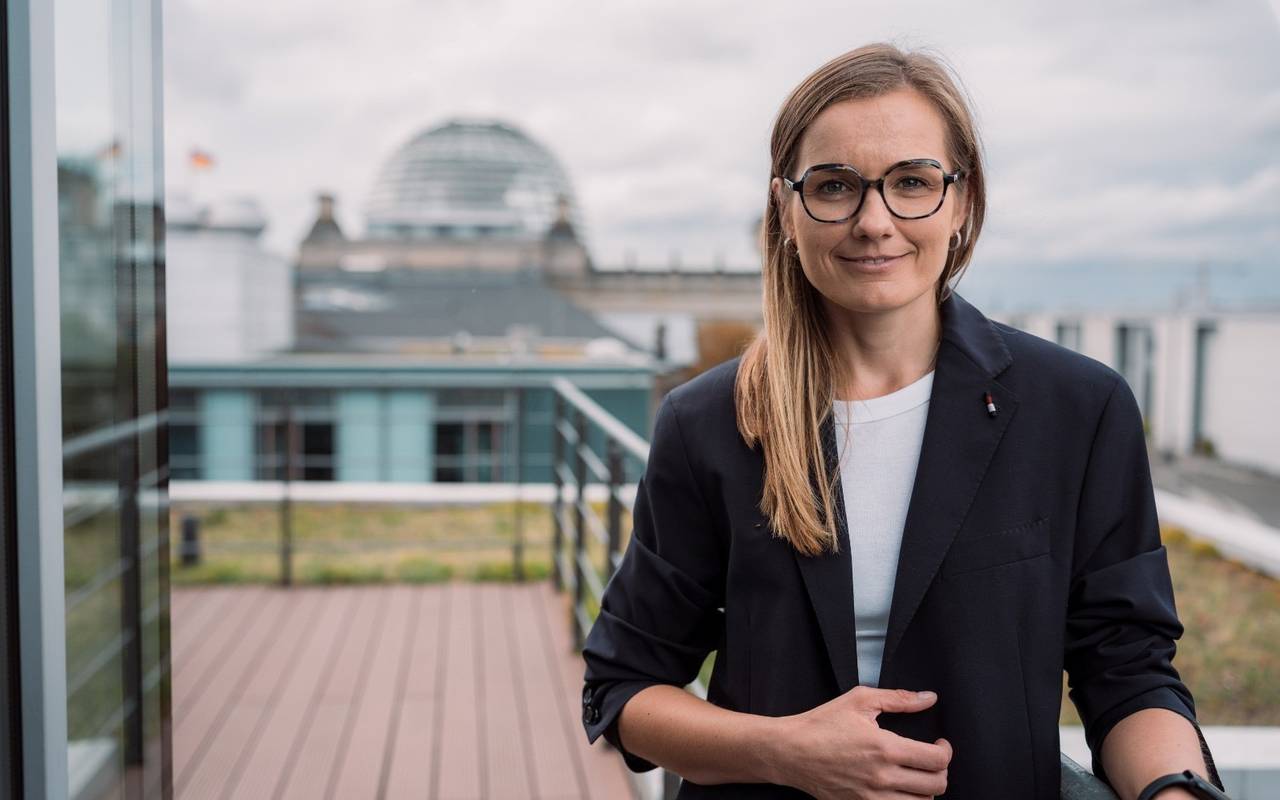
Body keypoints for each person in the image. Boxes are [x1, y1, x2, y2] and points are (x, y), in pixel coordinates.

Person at [580, 43, 1224, 799]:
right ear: (786, 209)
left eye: (911, 182)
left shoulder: (1078, 409)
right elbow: (624, 690)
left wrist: (1176, 793)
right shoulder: (708, 423)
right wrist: (782, 751)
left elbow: (1127, 669)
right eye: (834, 186)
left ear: (962, 200)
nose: (873, 221)